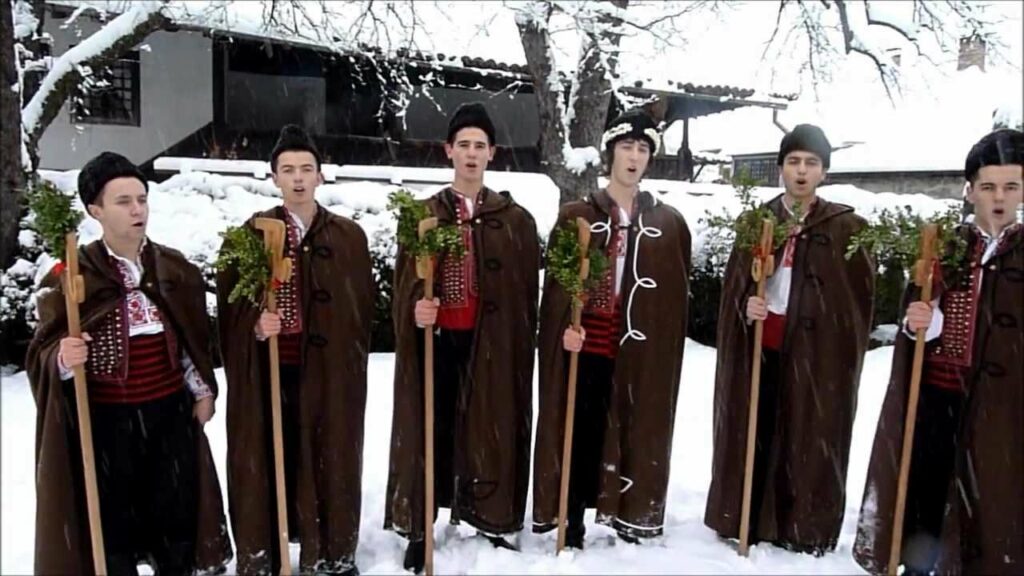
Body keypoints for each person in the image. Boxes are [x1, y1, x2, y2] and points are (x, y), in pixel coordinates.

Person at [27, 151, 232, 574]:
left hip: (169, 418)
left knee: (176, 523)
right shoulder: (72, 276)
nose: (137, 210)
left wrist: (202, 391)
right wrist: (63, 356)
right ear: (95, 210)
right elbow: (42, 350)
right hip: (106, 424)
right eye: (123, 201)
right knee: (113, 530)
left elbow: (191, 341)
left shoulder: (173, 268)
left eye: (141, 199)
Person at [853, 128, 1024, 575]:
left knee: (991, 494)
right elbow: (917, 315)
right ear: (970, 191)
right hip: (938, 394)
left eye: (1011, 186)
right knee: (927, 488)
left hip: (1001, 406)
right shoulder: (943, 246)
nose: (999, 197)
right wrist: (922, 324)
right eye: (988, 186)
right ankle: (920, 564)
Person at [704, 124, 876, 555]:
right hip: (763, 345)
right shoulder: (758, 222)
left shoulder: (846, 227)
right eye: (794, 162)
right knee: (756, 428)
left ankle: (801, 524)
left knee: (806, 433)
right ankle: (747, 516)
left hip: (815, 354)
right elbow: (736, 287)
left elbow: (854, 304)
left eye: (811, 163)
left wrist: (824, 325)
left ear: (824, 172)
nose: (801, 171)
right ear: (781, 168)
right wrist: (746, 305)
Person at [384, 102, 540, 573]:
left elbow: (522, 294)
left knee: (490, 427)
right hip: (438, 343)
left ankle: (491, 516)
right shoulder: (423, 215)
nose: (471, 154)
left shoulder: (515, 220)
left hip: (490, 344)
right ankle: (420, 525)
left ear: (492, 153)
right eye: (463, 145)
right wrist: (416, 307)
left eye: (480, 145)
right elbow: (404, 285)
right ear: (448, 150)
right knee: (430, 428)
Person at [216, 125, 374, 575]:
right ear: (274, 178)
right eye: (288, 170)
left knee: (329, 454)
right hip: (271, 371)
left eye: (307, 168)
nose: (298, 178)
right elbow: (230, 307)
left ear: (321, 176)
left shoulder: (348, 236)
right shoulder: (250, 236)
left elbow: (358, 310)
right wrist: (255, 323)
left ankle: (330, 549)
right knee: (269, 456)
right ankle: (268, 548)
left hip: (327, 373)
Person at [532, 108, 692, 548]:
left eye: (642, 149)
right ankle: (572, 515)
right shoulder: (577, 215)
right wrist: (563, 328)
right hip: (587, 344)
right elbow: (558, 290)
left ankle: (629, 511)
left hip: (637, 350)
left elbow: (672, 300)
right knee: (580, 431)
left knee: (634, 429)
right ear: (611, 153)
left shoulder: (667, 222)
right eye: (626, 147)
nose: (634, 157)